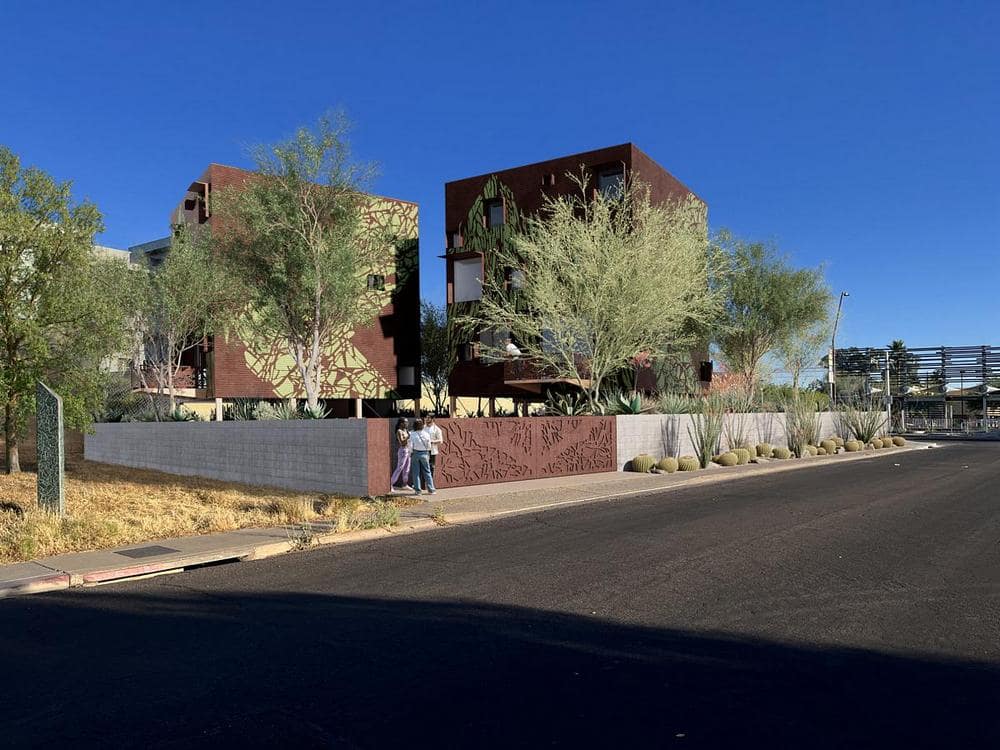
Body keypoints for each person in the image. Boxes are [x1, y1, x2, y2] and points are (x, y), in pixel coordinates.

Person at [408, 418, 436, 495]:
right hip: (425, 453)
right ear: (422, 426)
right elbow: (429, 446)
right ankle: (431, 490)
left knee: (416, 473)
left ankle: (418, 491)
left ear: (414, 426)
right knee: (427, 471)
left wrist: (410, 453)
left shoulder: (412, 434)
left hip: (415, 453)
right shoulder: (426, 434)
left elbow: (410, 446)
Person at [389, 418, 412, 490]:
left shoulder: (406, 430)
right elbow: (402, 442)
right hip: (403, 450)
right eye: (406, 422)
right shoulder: (399, 431)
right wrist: (408, 436)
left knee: (407, 468)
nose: (407, 424)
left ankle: (405, 484)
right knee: (400, 467)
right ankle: (390, 484)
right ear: (401, 423)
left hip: (408, 450)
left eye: (407, 422)